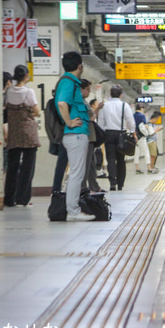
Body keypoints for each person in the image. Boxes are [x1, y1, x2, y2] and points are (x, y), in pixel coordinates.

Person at [55, 51, 95, 221]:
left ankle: (72, 208)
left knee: (75, 173)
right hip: (75, 134)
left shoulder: (69, 82)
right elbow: (62, 103)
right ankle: (73, 211)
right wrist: (70, 122)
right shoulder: (69, 82)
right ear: (80, 66)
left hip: (75, 135)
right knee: (77, 173)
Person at [4, 65, 40, 207]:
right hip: (28, 133)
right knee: (27, 166)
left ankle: (9, 198)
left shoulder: (9, 92)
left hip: (14, 133)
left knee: (12, 167)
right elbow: (36, 111)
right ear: (26, 76)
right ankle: (22, 199)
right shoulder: (28, 92)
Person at [97, 85, 135, 191]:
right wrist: (132, 132)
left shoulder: (105, 106)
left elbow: (101, 122)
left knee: (110, 159)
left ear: (110, 94)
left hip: (108, 134)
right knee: (121, 160)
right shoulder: (124, 105)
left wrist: (102, 134)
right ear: (121, 94)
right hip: (121, 134)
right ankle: (120, 183)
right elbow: (130, 121)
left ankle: (112, 183)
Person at [80, 79, 104, 193]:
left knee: (90, 163)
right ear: (81, 89)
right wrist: (98, 109)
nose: (89, 92)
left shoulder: (84, 101)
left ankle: (93, 186)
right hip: (87, 136)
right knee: (86, 163)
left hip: (89, 136)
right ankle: (83, 187)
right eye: (87, 89)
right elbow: (90, 119)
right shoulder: (81, 103)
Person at [133, 103, 151, 173]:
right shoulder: (142, 116)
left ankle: (137, 168)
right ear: (141, 109)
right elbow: (145, 126)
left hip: (135, 136)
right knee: (146, 151)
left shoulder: (133, 115)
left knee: (136, 153)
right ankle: (149, 168)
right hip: (141, 137)